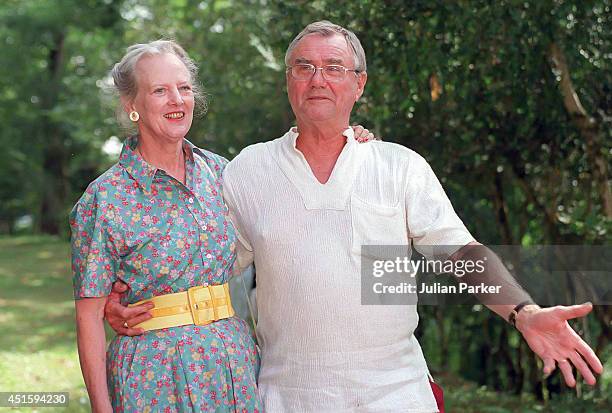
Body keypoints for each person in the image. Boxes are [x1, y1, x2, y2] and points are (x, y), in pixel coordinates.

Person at [108, 22, 603, 412]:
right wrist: (124, 302)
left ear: (359, 83)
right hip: (287, 396)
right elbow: (203, 264)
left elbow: (458, 253)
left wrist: (525, 312)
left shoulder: (398, 165)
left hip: (395, 392)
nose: (317, 78)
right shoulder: (247, 172)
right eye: (303, 67)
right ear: (288, 83)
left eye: (333, 67)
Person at [70, 40, 262, 412]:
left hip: (231, 367)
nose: (176, 99)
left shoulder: (222, 173)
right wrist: (101, 408)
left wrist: (347, 139)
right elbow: (89, 317)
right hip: (153, 377)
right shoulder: (104, 198)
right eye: (160, 90)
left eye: (184, 88)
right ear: (132, 107)